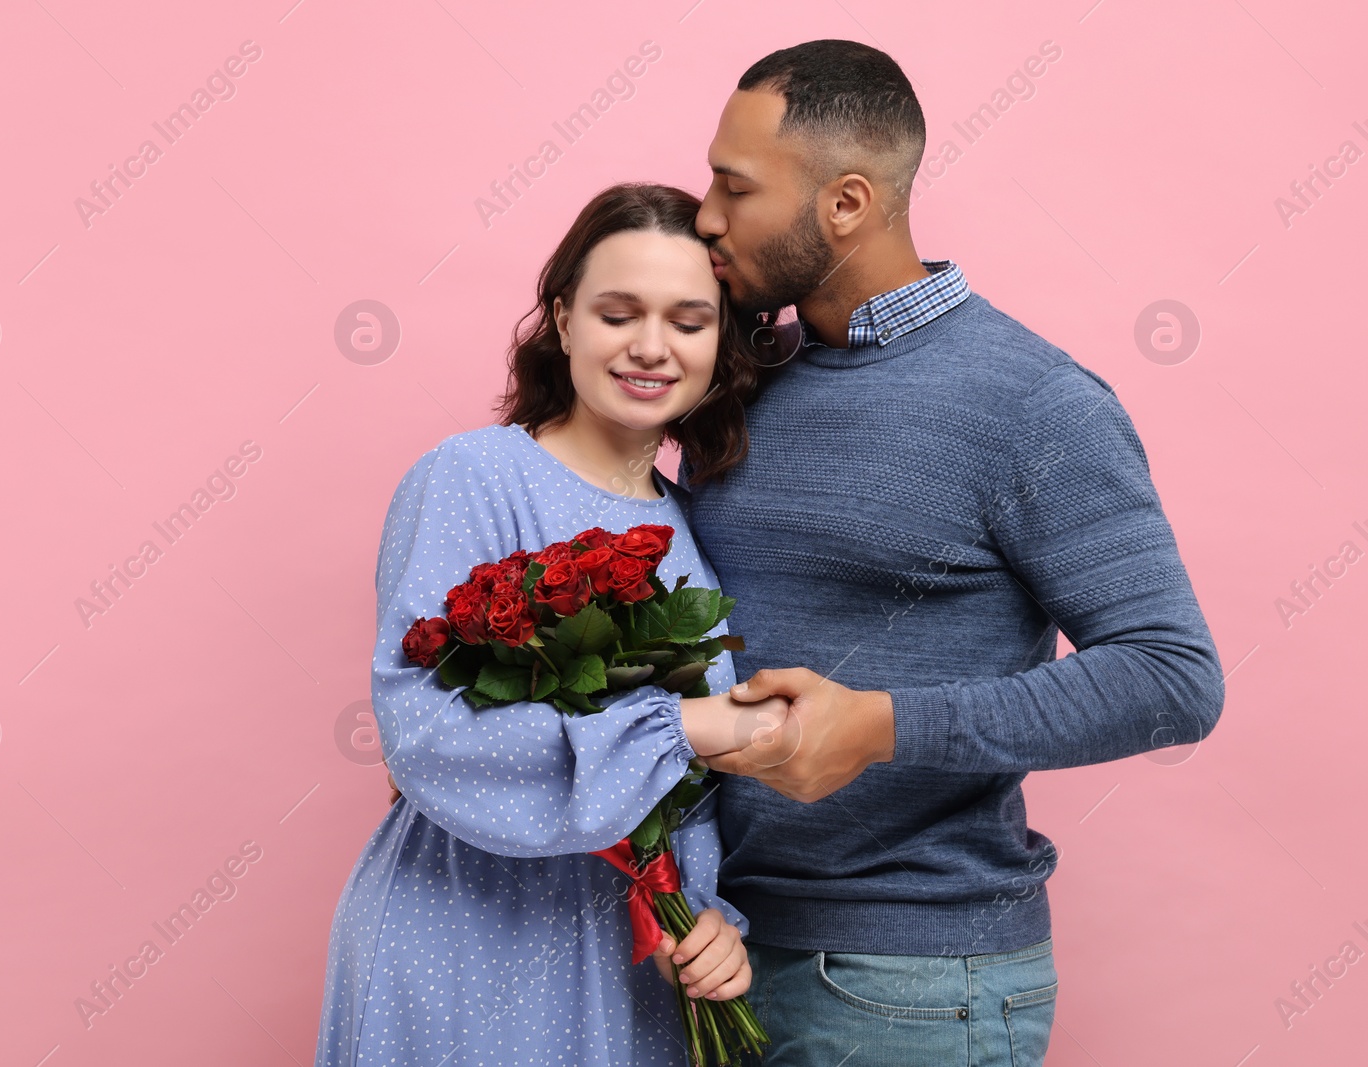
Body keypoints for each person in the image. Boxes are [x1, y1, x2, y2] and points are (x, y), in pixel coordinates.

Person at [682, 40, 1226, 1064]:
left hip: (910, 988)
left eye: (733, 185)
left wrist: (880, 725)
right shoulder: (742, 377)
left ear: (845, 202)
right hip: (722, 951)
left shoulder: (1031, 403)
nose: (704, 212)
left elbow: (1173, 675)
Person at [314, 183, 789, 1067]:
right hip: (466, 930)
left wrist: (715, 917)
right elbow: (421, 733)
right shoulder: (472, 478)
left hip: (632, 958)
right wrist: (682, 725)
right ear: (564, 319)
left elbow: (691, 798)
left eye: (689, 321)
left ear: (721, 343)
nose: (651, 346)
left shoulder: (695, 533)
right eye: (619, 313)